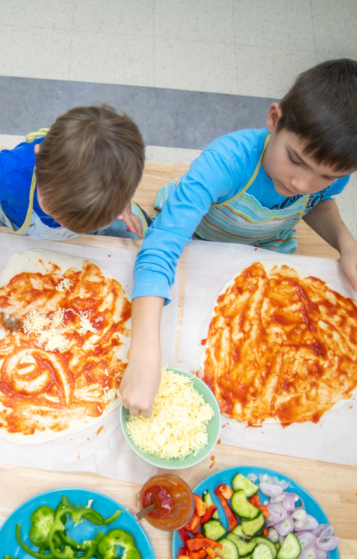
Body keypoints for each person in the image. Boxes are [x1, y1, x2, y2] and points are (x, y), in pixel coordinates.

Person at [122, 59, 357, 418]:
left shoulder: (329, 173)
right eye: (295, 160)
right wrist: (143, 355)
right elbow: (162, 247)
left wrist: (346, 244)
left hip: (265, 247)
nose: (301, 184)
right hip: (197, 237)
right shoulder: (225, 163)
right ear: (275, 120)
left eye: (324, 176)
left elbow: (318, 203)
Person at [0, 105, 148, 297]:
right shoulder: (8, 174)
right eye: (57, 213)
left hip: (96, 214)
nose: (65, 225)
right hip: (24, 224)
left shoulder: (116, 175)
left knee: (145, 236)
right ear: (39, 159)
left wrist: (124, 206)